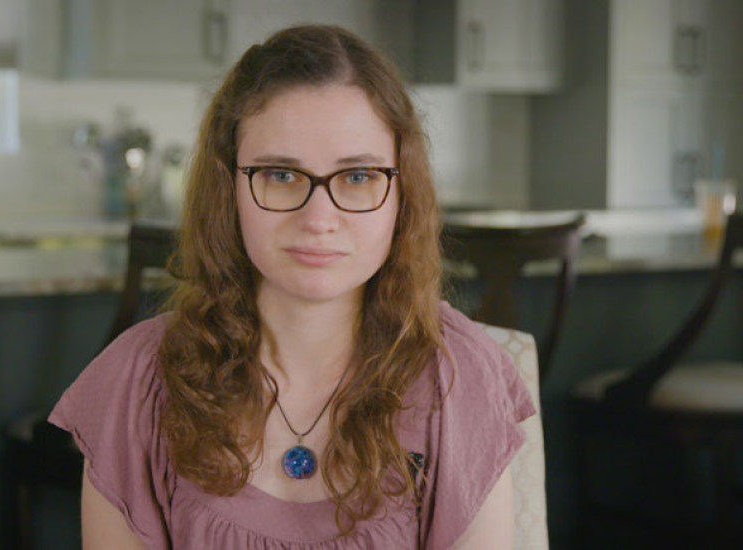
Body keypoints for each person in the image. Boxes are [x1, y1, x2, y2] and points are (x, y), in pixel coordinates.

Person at [49, 24, 535, 550]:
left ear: (402, 194)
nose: (318, 218)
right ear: (228, 187)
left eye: (357, 177)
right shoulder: (136, 381)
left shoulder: (459, 377)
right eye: (281, 175)